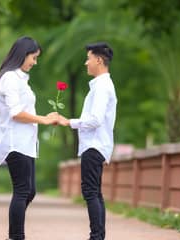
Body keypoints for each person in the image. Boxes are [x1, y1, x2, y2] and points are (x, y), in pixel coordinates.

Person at [0, 36, 58, 240]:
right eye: (33, 58)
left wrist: (43, 120)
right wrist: (43, 120)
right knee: (22, 190)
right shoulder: (9, 78)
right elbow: (16, 113)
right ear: (23, 54)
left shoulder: (20, 79)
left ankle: (14, 232)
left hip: (26, 143)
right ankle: (16, 236)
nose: (35, 62)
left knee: (30, 191)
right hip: (15, 142)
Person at [58, 42, 117, 240]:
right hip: (97, 145)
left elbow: (95, 120)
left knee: (91, 192)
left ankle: (96, 237)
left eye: (88, 58)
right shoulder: (102, 85)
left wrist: (69, 122)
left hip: (94, 145)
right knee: (95, 193)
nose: (86, 63)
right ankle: (98, 236)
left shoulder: (101, 87)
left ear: (99, 60)